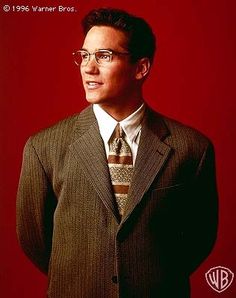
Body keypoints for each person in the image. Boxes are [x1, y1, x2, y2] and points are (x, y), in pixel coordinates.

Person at [16, 8, 218, 298]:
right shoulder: (43, 147)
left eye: (104, 56)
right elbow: (34, 240)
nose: (88, 67)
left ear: (141, 68)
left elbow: (199, 238)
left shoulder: (192, 149)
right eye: (84, 55)